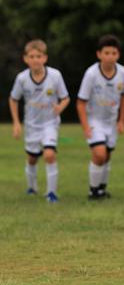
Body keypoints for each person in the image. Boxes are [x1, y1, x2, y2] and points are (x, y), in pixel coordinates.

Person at [9, 39, 70, 203]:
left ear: (45, 58)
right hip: (31, 125)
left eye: (39, 56)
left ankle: (51, 193)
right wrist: (16, 123)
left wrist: (60, 107)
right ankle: (32, 187)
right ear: (25, 59)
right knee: (32, 158)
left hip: (50, 124)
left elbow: (66, 98)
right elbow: (13, 99)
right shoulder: (22, 79)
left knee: (49, 155)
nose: (35, 59)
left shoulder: (55, 76)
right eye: (32, 56)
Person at [77, 34, 124, 199]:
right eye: (106, 53)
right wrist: (86, 127)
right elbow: (80, 102)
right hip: (95, 121)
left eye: (113, 53)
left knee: (107, 155)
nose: (110, 57)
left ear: (118, 55)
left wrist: (121, 121)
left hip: (111, 122)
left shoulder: (122, 72)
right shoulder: (91, 74)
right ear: (99, 54)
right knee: (99, 154)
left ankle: (101, 189)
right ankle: (92, 191)